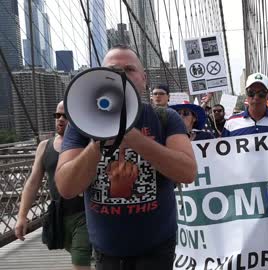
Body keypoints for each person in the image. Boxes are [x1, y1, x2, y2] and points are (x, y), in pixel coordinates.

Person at [55, 45, 197, 270]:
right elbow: (66, 186)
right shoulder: (81, 123)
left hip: (156, 249)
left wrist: (131, 136)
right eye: (113, 70)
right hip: (106, 251)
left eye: (129, 69)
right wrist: (98, 142)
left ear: (144, 78)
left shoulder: (165, 118)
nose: (121, 76)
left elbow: (188, 172)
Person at [15, 101, 92, 270]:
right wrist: (22, 216)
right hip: (60, 215)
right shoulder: (45, 146)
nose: (60, 119)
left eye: (66, 116)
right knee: (78, 256)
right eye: (57, 115)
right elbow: (33, 182)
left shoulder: (89, 145)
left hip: (85, 213)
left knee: (80, 260)